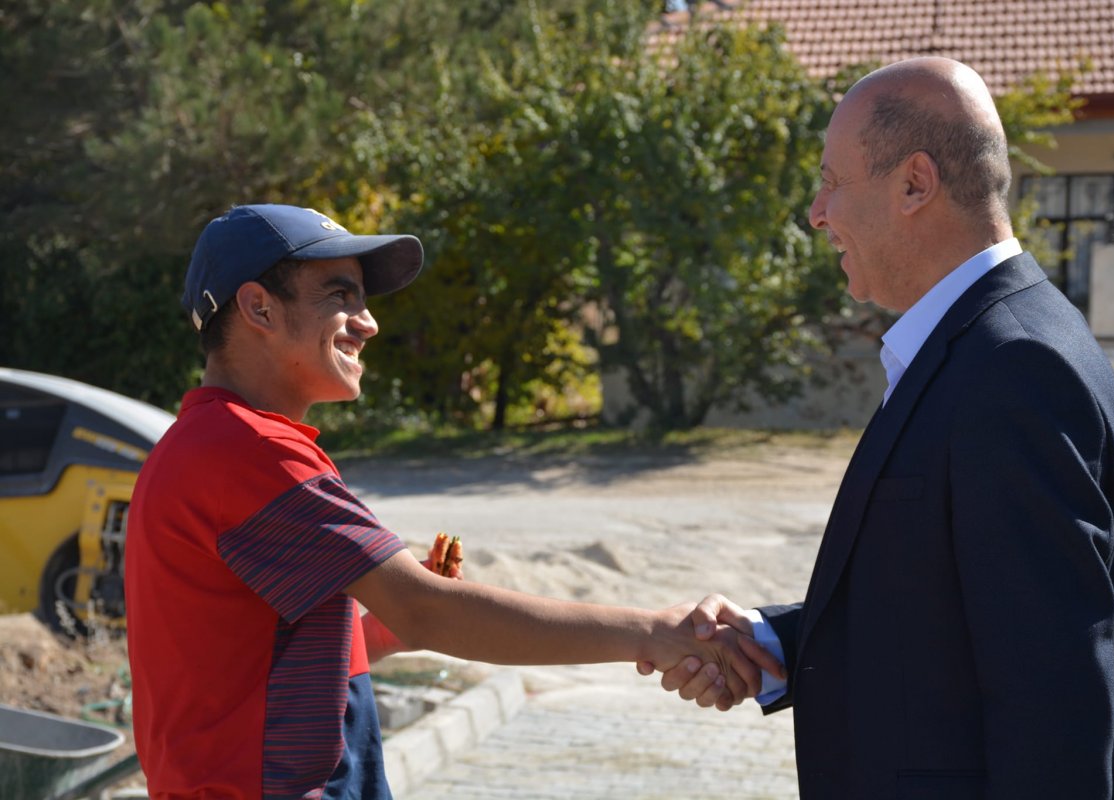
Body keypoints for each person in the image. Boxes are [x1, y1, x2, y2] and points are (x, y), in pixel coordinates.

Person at [644, 57, 1114, 799]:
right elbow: (949, 611)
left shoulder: (1015, 368)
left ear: (915, 184)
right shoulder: (990, 343)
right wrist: (769, 643)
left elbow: (1053, 709)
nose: (816, 212)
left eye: (832, 181)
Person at [124, 203, 783, 799]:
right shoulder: (247, 449)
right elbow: (426, 608)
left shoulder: (209, 442)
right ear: (259, 308)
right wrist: (654, 634)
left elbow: (255, 659)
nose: (369, 323)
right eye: (340, 295)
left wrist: (384, 630)